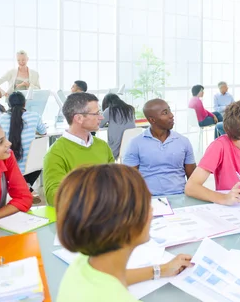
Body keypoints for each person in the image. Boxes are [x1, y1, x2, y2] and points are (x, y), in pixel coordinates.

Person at [55, 164, 193, 302]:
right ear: (124, 223)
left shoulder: (83, 263)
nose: (151, 212)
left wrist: (162, 269)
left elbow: (116, 276)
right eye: (146, 205)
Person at [43, 93, 114, 206]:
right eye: (96, 113)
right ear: (79, 118)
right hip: (79, 218)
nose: (101, 117)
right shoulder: (55, 153)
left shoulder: (102, 146)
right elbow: (54, 196)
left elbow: (115, 182)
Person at [123, 99, 196, 195]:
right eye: (165, 113)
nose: (171, 115)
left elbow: (193, 178)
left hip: (180, 195)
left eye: (169, 110)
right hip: (149, 198)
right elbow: (129, 179)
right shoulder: (135, 143)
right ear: (152, 120)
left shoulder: (183, 141)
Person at [0, 92, 47, 188]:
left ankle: (23, 189)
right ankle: (27, 188)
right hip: (31, 170)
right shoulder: (34, 116)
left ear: (8, 104)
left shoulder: (1, 119)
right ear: (25, 103)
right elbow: (44, 132)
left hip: (8, 169)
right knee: (40, 159)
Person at [99, 93, 136, 159]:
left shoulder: (110, 110)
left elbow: (99, 124)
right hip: (130, 143)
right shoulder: (130, 109)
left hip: (115, 145)